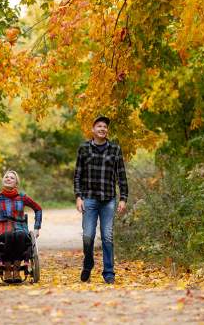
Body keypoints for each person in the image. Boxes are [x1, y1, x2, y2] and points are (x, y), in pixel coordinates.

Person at [73, 116, 128, 284]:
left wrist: (123, 198)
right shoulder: (83, 148)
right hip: (89, 199)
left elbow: (121, 175)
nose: (102, 129)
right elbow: (77, 175)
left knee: (107, 237)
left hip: (108, 200)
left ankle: (109, 273)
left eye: (105, 126)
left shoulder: (115, 149)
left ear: (107, 130)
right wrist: (78, 197)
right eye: (99, 126)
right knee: (88, 236)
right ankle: (88, 264)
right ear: (93, 129)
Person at [0, 170, 42, 283]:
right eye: (6, 177)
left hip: (19, 226)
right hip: (1, 227)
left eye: (12, 178)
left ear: (16, 183)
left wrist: (37, 228)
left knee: (20, 234)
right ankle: (7, 269)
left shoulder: (22, 197)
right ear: (3, 181)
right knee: (8, 234)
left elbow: (38, 209)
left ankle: (16, 270)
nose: (8, 178)